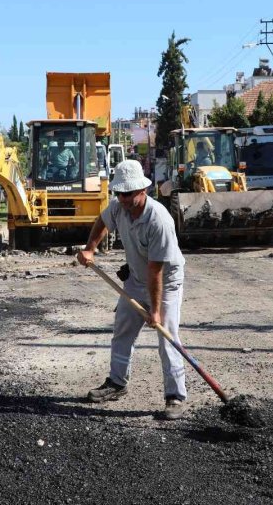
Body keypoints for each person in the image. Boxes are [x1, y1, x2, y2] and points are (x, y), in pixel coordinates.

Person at [77, 159, 188, 420]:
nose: (123, 199)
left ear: (143, 190)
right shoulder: (119, 208)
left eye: (128, 193)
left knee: (167, 337)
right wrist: (90, 248)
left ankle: (175, 396)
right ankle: (117, 383)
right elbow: (101, 221)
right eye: (120, 193)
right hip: (137, 279)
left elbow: (156, 271)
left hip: (166, 282)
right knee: (122, 331)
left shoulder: (158, 220)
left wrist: (156, 310)